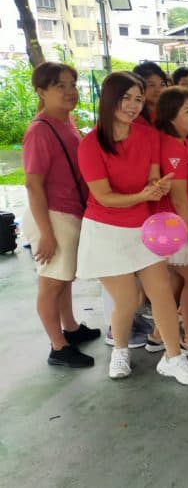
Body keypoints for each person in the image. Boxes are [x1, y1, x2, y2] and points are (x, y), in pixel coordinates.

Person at [76, 72, 188, 384]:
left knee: (161, 293)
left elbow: (153, 177)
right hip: (105, 230)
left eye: (137, 99)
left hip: (144, 229)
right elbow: (103, 196)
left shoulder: (147, 136)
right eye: (125, 98)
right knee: (128, 300)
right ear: (109, 100)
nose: (132, 105)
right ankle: (120, 350)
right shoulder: (90, 144)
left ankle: (173, 358)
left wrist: (157, 187)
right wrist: (143, 196)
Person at [22, 62, 100, 368]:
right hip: (53, 216)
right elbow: (33, 184)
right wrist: (46, 233)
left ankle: (71, 328)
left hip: (70, 212)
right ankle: (58, 346)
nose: (70, 92)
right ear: (41, 91)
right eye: (60, 86)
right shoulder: (40, 131)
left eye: (72, 85)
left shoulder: (66, 121)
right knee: (51, 283)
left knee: (64, 277)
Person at [153, 87, 188, 355]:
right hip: (175, 226)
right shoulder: (172, 146)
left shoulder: (183, 142)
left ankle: (157, 335)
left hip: (180, 223)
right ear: (170, 116)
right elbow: (180, 198)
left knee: (178, 280)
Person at [132, 62, 169, 127]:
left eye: (162, 84)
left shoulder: (174, 113)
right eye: (151, 85)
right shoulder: (133, 118)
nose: (158, 90)